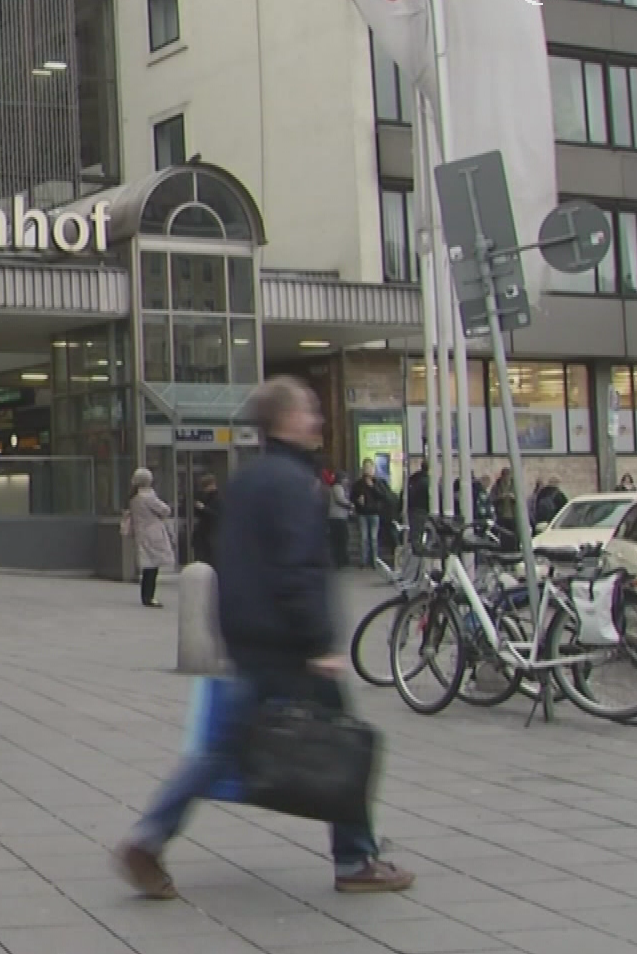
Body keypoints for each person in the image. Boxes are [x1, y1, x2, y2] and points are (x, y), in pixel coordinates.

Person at [115, 376, 414, 898]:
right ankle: (354, 859)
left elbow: (231, 560)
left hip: (249, 639)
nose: (317, 420)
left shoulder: (248, 480)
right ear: (284, 421)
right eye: (309, 411)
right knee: (345, 743)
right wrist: (319, 642)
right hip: (292, 644)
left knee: (219, 748)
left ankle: (149, 836)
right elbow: (298, 568)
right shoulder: (295, 484)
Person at [127, 468, 174, 607]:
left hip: (141, 533)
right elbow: (165, 510)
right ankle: (150, 596)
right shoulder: (148, 496)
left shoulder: (134, 497)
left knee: (147, 566)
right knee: (153, 567)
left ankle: (145, 596)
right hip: (153, 533)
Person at [352, 460, 385, 567]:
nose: (368, 470)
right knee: (364, 538)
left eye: (370, 467)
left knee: (373, 538)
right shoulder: (358, 484)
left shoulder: (378, 482)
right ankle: (363, 561)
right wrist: (357, 500)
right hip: (362, 513)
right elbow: (352, 496)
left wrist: (372, 487)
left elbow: (382, 496)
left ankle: (374, 560)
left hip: (374, 513)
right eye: (366, 467)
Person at [191, 472, 220, 566]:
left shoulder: (218, 498)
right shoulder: (203, 496)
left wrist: (203, 508)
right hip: (204, 532)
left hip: (211, 532)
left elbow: (217, 515)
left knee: (210, 557)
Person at [327, 473, 353, 568]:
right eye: (345, 478)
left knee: (341, 539)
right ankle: (340, 560)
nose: (347, 480)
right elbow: (340, 499)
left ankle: (341, 560)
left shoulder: (340, 488)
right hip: (337, 517)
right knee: (340, 539)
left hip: (340, 517)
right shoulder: (337, 487)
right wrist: (350, 505)